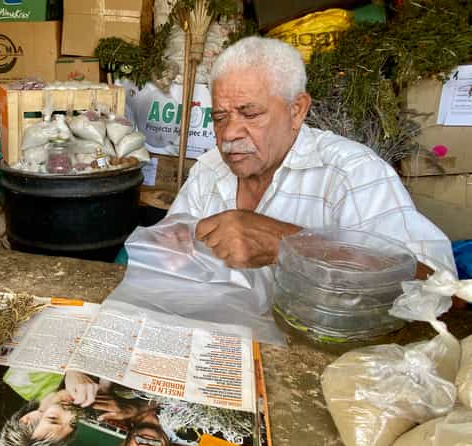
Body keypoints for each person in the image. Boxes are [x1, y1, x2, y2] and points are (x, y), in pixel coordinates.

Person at [168, 36, 456, 280]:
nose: (229, 133)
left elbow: (440, 289)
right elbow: (165, 255)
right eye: (219, 117)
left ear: (297, 110)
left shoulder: (351, 173)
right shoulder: (209, 169)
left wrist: (292, 245)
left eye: (251, 114)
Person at [0, 388, 80, 446]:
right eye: (73, 424)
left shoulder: (25, 382)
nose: (71, 414)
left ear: (25, 421)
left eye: (52, 418)